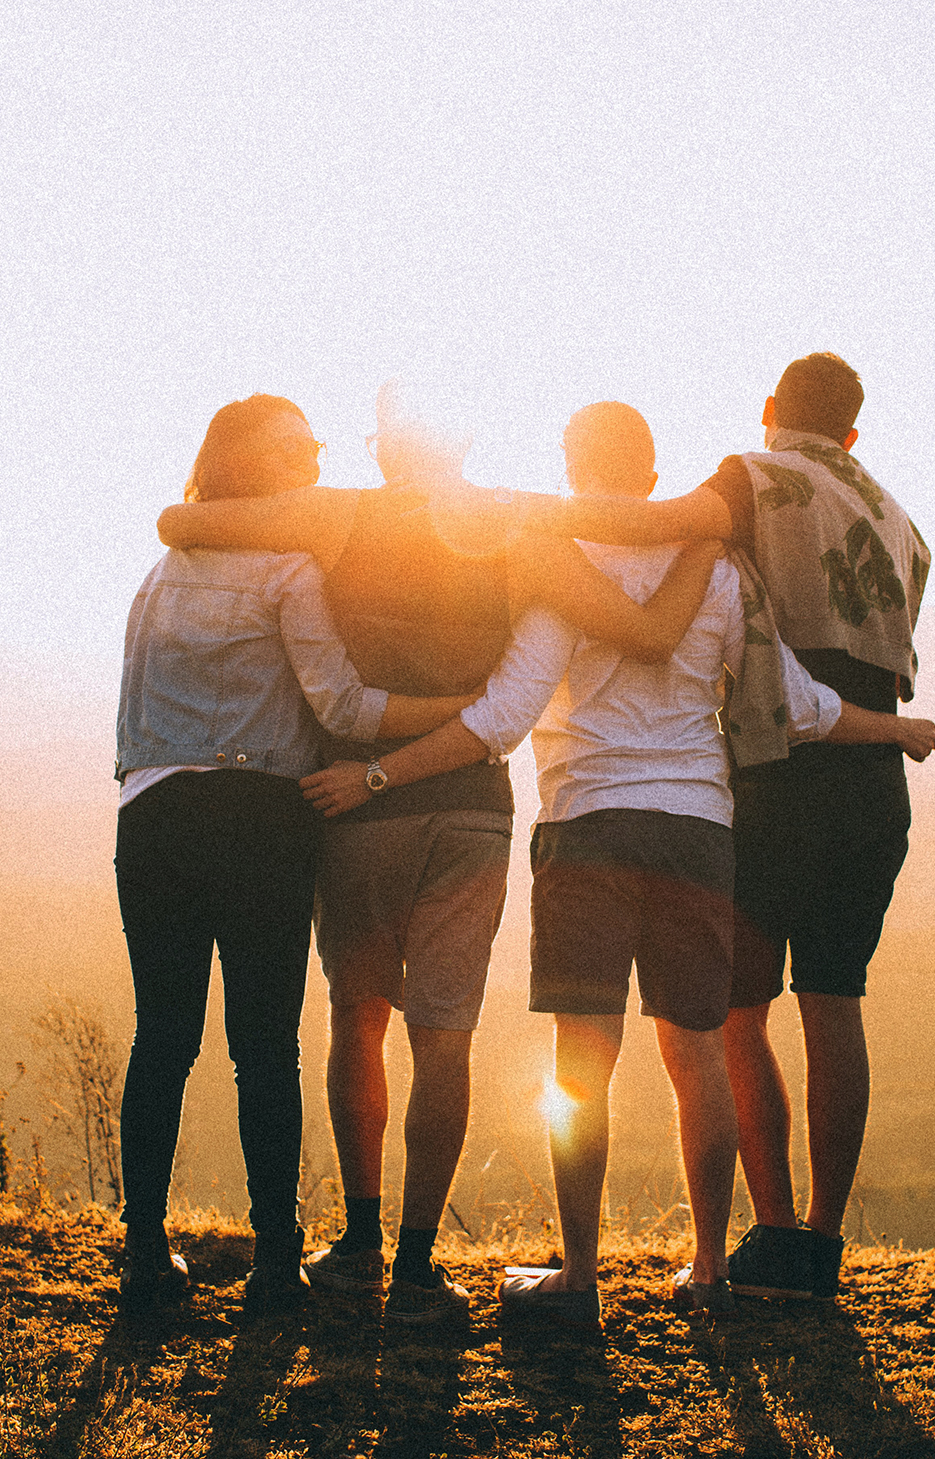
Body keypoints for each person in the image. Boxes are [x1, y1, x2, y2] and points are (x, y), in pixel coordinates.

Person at [301, 401, 935, 1328]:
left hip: (586, 826)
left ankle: (580, 1277)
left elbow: (503, 717)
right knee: (696, 1053)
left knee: (581, 1064)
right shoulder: (718, 570)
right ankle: (711, 1268)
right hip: (696, 832)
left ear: (570, 466)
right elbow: (796, 703)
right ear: (650, 475)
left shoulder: (560, 566)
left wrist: (378, 772)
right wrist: (895, 728)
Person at [156, 381, 717, 1325]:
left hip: (354, 801)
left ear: (384, 450)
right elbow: (643, 631)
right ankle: (418, 1264)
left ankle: (360, 1240)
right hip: (469, 808)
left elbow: (181, 522)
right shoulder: (516, 532)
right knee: (443, 1033)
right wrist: (705, 535)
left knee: (357, 1015)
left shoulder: (335, 518)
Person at [517, 355, 935, 1300]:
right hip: (870, 777)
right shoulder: (901, 520)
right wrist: (896, 729)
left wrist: (519, 514)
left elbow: (659, 527)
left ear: (768, 411)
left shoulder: (754, 477)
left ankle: (768, 1233)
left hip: (775, 771)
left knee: (732, 1016)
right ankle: (817, 1245)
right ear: (854, 432)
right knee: (836, 1001)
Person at [112, 393, 480, 1314]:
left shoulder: (159, 574)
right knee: (263, 1047)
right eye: (299, 448)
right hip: (260, 820)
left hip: (151, 814)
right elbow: (345, 710)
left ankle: (144, 1253)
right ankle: (276, 1260)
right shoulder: (287, 570)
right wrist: (462, 713)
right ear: (255, 467)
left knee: (162, 1036)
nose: (316, 459)